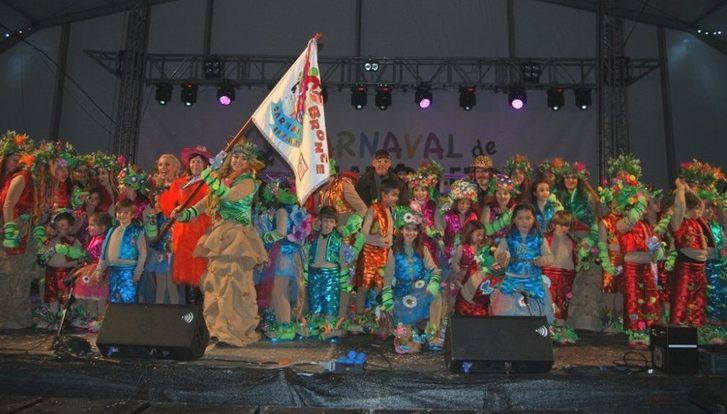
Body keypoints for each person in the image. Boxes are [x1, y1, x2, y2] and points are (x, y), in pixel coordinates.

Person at [174, 140, 268, 347]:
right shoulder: (224, 180)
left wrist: (209, 177)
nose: (238, 161)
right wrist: (185, 214)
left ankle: (235, 331)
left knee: (234, 285)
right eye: (235, 156)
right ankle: (217, 330)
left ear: (250, 163)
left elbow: (230, 197)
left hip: (238, 237)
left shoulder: (249, 183)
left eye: (243, 158)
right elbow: (203, 204)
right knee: (215, 285)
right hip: (220, 235)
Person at [381, 205, 442, 353]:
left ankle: (432, 335)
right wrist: (387, 300)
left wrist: (433, 284)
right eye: (407, 229)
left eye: (414, 229)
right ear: (401, 230)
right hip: (402, 296)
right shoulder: (394, 251)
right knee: (405, 342)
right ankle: (410, 335)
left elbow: (434, 270)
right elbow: (387, 279)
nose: (411, 233)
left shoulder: (423, 249)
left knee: (437, 294)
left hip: (421, 292)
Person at [158, 146, 212, 304]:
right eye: (193, 162)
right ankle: (192, 313)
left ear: (205, 165)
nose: (196, 165)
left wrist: (200, 215)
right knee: (189, 275)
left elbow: (214, 205)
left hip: (202, 232)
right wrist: (174, 209)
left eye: (199, 162)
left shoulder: (210, 183)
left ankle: (205, 314)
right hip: (184, 233)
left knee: (202, 273)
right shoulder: (181, 183)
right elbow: (168, 206)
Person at [260, 178, 311, 341]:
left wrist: (266, 237)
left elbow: (281, 232)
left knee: (279, 291)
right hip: (295, 254)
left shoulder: (282, 210)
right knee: (287, 291)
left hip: (283, 254)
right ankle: (289, 323)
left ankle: (285, 326)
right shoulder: (298, 209)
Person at [490, 204, 554, 324]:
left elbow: (550, 256)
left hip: (533, 282)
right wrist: (501, 257)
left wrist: (544, 260)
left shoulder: (539, 238)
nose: (524, 222)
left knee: (535, 317)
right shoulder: (508, 237)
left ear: (534, 219)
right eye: (520, 218)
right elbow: (498, 252)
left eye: (528, 218)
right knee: (508, 317)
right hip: (512, 283)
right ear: (514, 219)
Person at [0, 131, 36, 329]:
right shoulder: (19, 178)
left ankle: (15, 317)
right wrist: (10, 230)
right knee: (12, 273)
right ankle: (9, 316)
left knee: (16, 273)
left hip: (16, 227)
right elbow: (7, 205)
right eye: (13, 159)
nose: (16, 163)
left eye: (19, 160)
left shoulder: (19, 177)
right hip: (13, 228)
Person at [353, 178, 399, 323]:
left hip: (384, 254)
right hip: (369, 253)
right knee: (363, 287)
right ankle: (359, 317)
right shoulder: (373, 209)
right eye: (393, 195)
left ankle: (379, 318)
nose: (396, 198)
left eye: (397, 195)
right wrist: (374, 241)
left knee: (381, 287)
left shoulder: (393, 210)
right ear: (384, 195)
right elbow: (364, 232)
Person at [141, 154, 182, 304]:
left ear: (175, 167)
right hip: (158, 236)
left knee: (171, 283)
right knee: (160, 283)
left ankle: (175, 318)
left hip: (172, 237)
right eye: (160, 165)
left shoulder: (180, 187)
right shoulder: (155, 189)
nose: (163, 168)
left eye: (167, 165)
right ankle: (159, 318)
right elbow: (152, 213)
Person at [303, 206, 351, 338]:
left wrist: (344, 277)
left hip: (331, 275)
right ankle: (315, 326)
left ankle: (330, 327)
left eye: (331, 222)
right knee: (315, 302)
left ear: (335, 223)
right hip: (314, 274)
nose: (328, 224)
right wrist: (306, 275)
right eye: (325, 221)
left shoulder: (338, 239)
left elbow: (343, 260)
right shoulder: (312, 238)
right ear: (320, 221)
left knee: (330, 302)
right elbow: (307, 256)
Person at [669, 179, 708, 327]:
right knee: (682, 300)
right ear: (689, 208)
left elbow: (701, 204)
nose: (700, 211)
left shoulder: (696, 222)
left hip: (700, 268)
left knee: (698, 302)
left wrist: (689, 190)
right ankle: (678, 331)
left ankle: (696, 331)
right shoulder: (679, 222)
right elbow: (680, 206)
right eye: (697, 209)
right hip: (686, 267)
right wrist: (680, 189)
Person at [94, 199, 147, 304]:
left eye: (126, 212)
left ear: (132, 215)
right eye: (119, 212)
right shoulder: (112, 230)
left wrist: (137, 272)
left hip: (128, 272)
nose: (122, 215)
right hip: (113, 271)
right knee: (113, 300)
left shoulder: (136, 230)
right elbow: (104, 252)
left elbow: (143, 253)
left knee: (128, 299)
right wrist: (99, 270)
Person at [542, 210, 580, 344]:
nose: (565, 228)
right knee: (550, 302)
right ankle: (549, 329)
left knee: (563, 303)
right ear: (554, 224)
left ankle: (560, 329)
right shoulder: (546, 238)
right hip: (549, 273)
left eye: (567, 225)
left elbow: (575, 258)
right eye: (561, 225)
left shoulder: (571, 241)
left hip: (566, 274)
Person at [72, 212, 113, 331]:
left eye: (92, 225)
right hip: (90, 270)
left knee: (98, 295)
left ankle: (100, 318)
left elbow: (102, 257)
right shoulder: (94, 238)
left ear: (103, 227)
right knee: (88, 293)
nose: (88, 227)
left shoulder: (103, 241)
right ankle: (88, 317)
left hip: (98, 271)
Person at [454, 221, 498, 316]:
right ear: (470, 233)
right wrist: (459, 273)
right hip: (465, 282)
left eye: (482, 235)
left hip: (480, 285)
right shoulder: (462, 248)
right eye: (478, 235)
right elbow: (455, 263)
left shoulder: (483, 249)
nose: (480, 238)